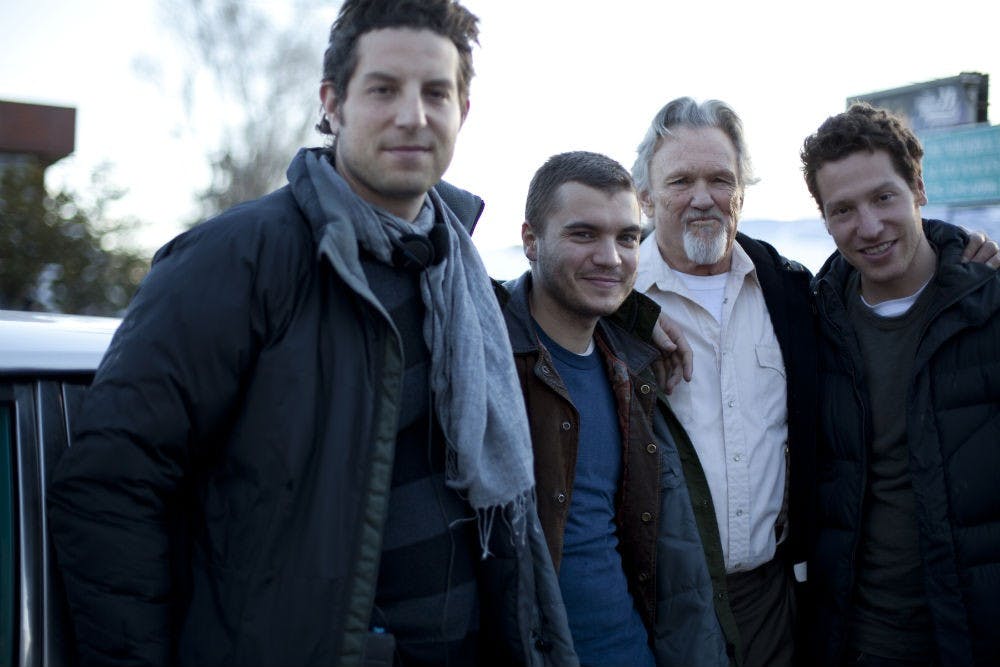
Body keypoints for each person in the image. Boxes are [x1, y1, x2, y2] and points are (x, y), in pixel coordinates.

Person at [46, 2, 578, 666]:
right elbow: (109, 486)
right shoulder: (238, 258)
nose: (413, 115)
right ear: (333, 104)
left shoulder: (463, 280)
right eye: (383, 89)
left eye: (436, 92)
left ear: (462, 111)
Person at [629, 97, 1000, 667]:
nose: (703, 197)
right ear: (647, 198)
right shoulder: (610, 304)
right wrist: (630, 316)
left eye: (720, 179)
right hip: (664, 608)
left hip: (789, 604)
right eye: (680, 180)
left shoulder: (791, 294)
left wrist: (961, 251)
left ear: (742, 192)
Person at [498, 151, 739, 666]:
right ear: (529, 241)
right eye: (583, 234)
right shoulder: (486, 351)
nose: (611, 257)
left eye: (627, 237)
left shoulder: (631, 370)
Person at [801, 103, 1000, 667]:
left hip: (975, 632)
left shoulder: (988, 307)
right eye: (843, 209)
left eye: (883, 197)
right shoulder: (814, 321)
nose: (867, 227)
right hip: (860, 634)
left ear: (918, 187)